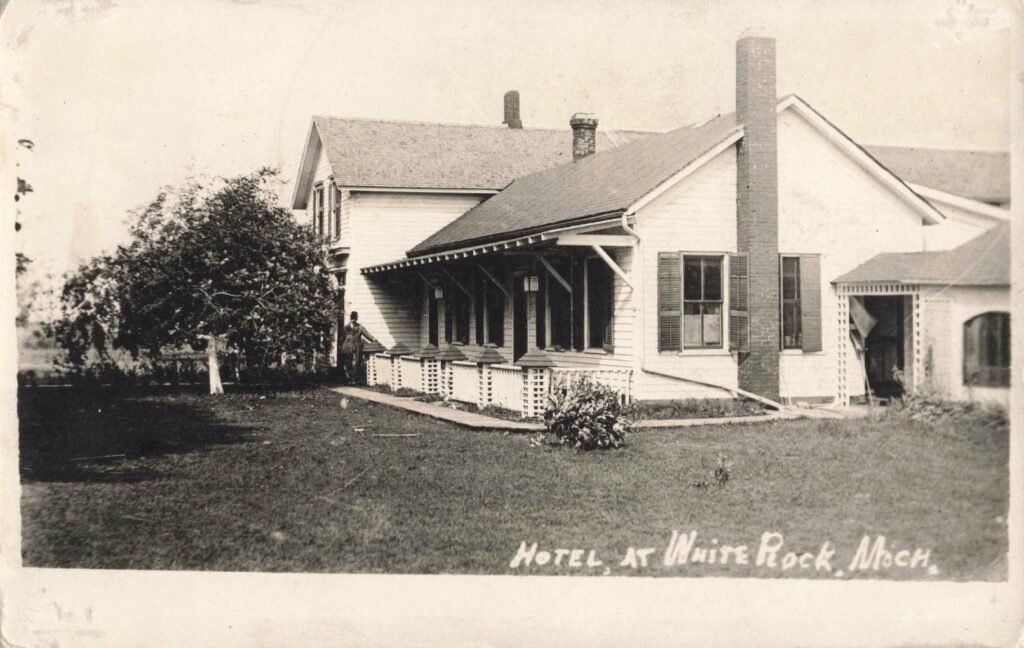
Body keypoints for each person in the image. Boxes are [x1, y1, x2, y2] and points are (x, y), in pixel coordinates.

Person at [339, 311, 378, 385]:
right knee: (348, 363)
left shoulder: (360, 327)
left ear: (356, 318)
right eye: (352, 318)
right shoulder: (346, 327)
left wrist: (373, 339)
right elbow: (342, 337)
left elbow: (367, 334)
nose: (354, 320)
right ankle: (349, 379)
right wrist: (341, 347)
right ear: (351, 318)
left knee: (356, 363)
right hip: (347, 348)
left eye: (355, 318)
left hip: (357, 347)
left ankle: (354, 379)